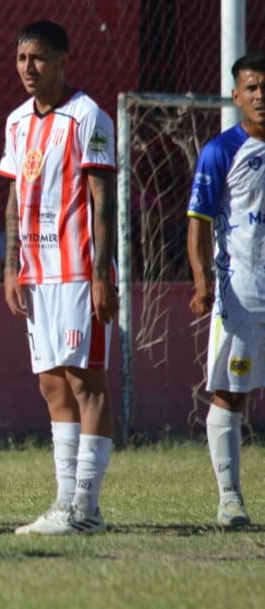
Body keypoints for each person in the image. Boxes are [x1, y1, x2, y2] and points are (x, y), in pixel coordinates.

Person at [0, 21, 118, 535]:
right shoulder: (17, 121)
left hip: (77, 271)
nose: (28, 68)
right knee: (51, 384)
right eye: (22, 58)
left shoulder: (88, 116)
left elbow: (102, 199)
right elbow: (13, 197)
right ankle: (65, 502)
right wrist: (11, 264)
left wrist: (101, 274)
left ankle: (87, 508)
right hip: (36, 273)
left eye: (39, 58)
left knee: (85, 382)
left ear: (63, 60)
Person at [186, 52, 265, 529]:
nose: (260, 95)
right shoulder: (221, 151)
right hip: (241, 297)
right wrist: (201, 281)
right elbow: (197, 221)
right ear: (236, 96)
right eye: (252, 88)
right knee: (231, 394)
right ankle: (230, 499)